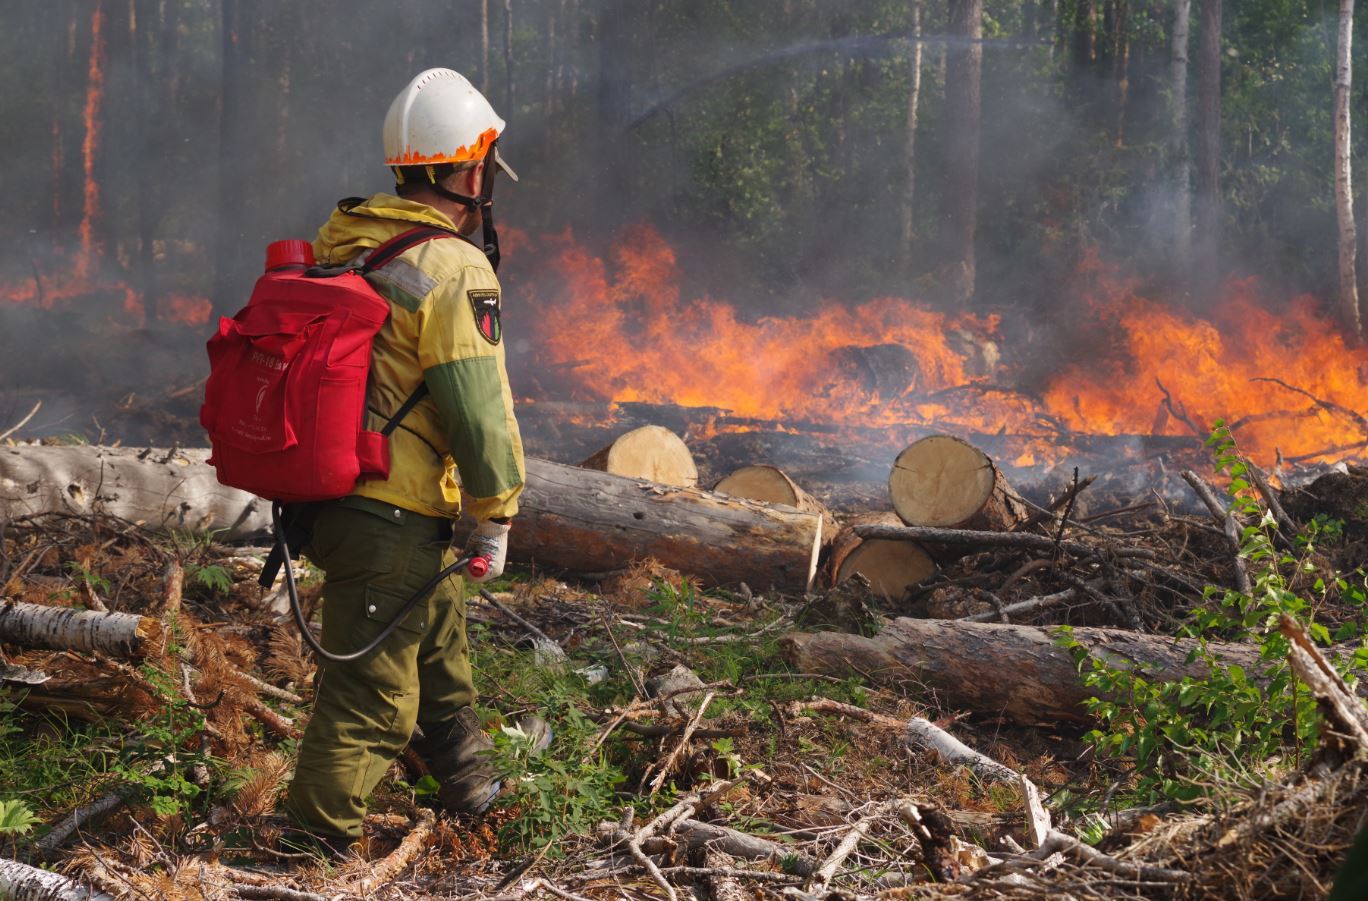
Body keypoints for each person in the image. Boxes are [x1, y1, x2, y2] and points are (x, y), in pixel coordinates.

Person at [280, 68, 544, 856]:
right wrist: (496, 512)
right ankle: (308, 855)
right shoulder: (454, 269)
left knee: (435, 648)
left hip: (336, 502)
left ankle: (472, 795)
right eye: (487, 170)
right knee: (370, 701)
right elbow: (479, 413)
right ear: (470, 172)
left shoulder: (345, 240)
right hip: (391, 509)